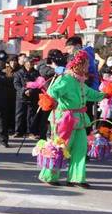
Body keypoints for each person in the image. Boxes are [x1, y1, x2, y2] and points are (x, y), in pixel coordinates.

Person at [38, 51, 105, 188]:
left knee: (81, 149)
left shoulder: (80, 80)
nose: (88, 67)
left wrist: (107, 94)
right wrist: (51, 101)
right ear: (77, 65)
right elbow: (52, 92)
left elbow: (91, 94)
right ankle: (49, 176)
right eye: (86, 64)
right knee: (60, 148)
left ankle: (76, 178)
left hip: (79, 120)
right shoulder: (66, 79)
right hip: (64, 119)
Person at [13, 57, 40, 138]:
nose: (30, 64)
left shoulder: (36, 73)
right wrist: (24, 90)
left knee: (31, 115)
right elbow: (16, 84)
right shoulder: (18, 73)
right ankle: (18, 131)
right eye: (28, 62)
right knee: (19, 114)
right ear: (24, 63)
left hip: (32, 96)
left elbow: (39, 84)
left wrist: (31, 91)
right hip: (21, 96)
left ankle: (31, 132)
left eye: (32, 62)